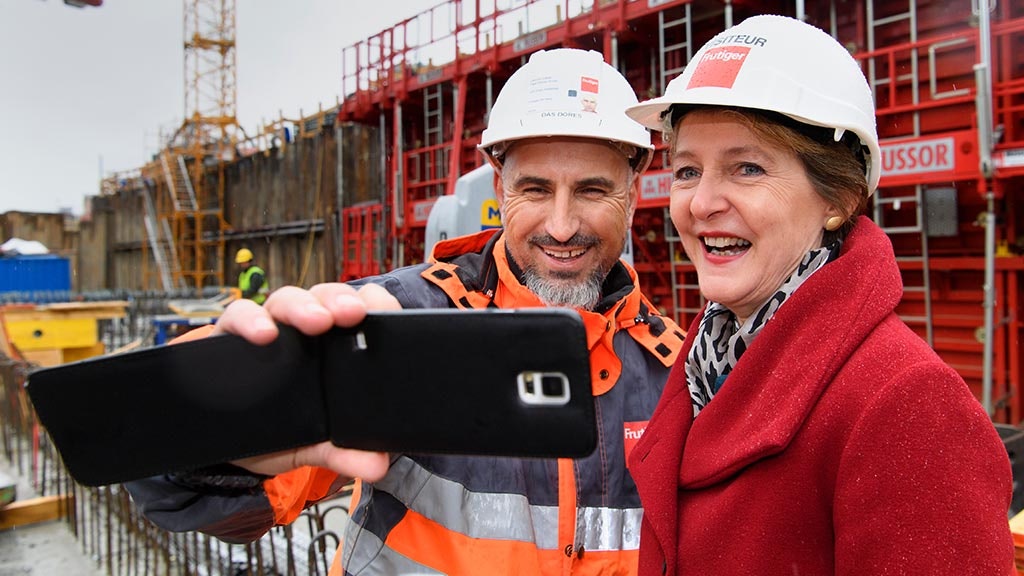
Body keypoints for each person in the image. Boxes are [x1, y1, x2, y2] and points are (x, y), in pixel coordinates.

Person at [125, 48, 685, 575]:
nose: (561, 226)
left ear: (633, 194)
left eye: (592, 191)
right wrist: (216, 406)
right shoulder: (397, 328)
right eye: (535, 190)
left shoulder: (678, 373)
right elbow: (173, 484)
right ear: (500, 187)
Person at [622, 15, 1014, 575]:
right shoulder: (707, 360)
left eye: (748, 168)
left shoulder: (907, 406)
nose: (701, 203)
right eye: (687, 171)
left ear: (840, 197)